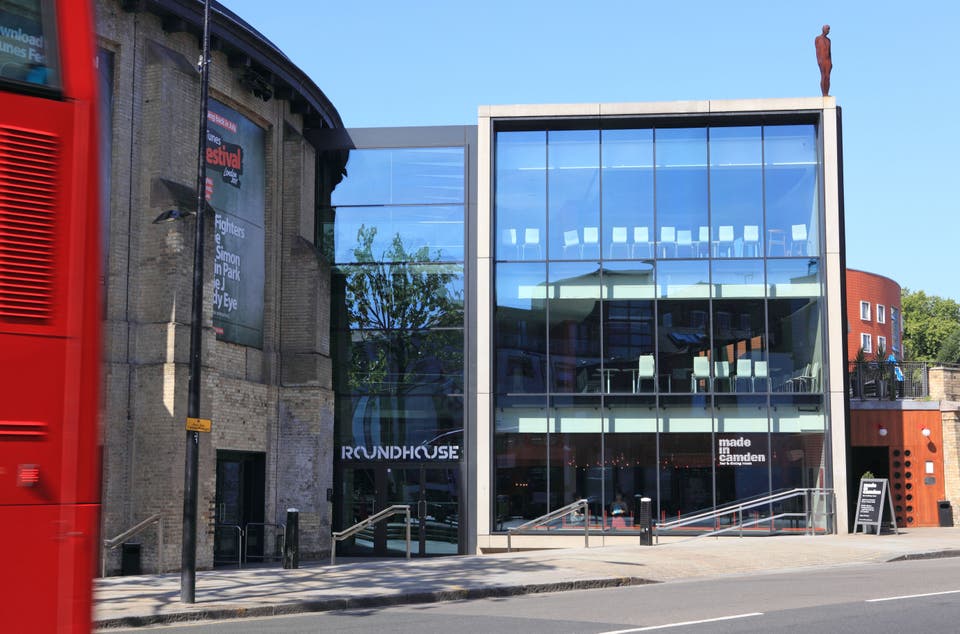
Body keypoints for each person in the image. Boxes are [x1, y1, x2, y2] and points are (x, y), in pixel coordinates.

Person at [815, 25, 832, 96]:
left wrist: (831, 62)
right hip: (822, 60)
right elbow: (817, 50)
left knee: (828, 77)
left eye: (828, 29)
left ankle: (827, 93)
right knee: (823, 76)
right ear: (823, 29)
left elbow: (830, 52)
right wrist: (819, 60)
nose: (828, 31)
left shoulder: (828, 40)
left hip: (828, 60)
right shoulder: (818, 38)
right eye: (827, 29)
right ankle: (824, 93)